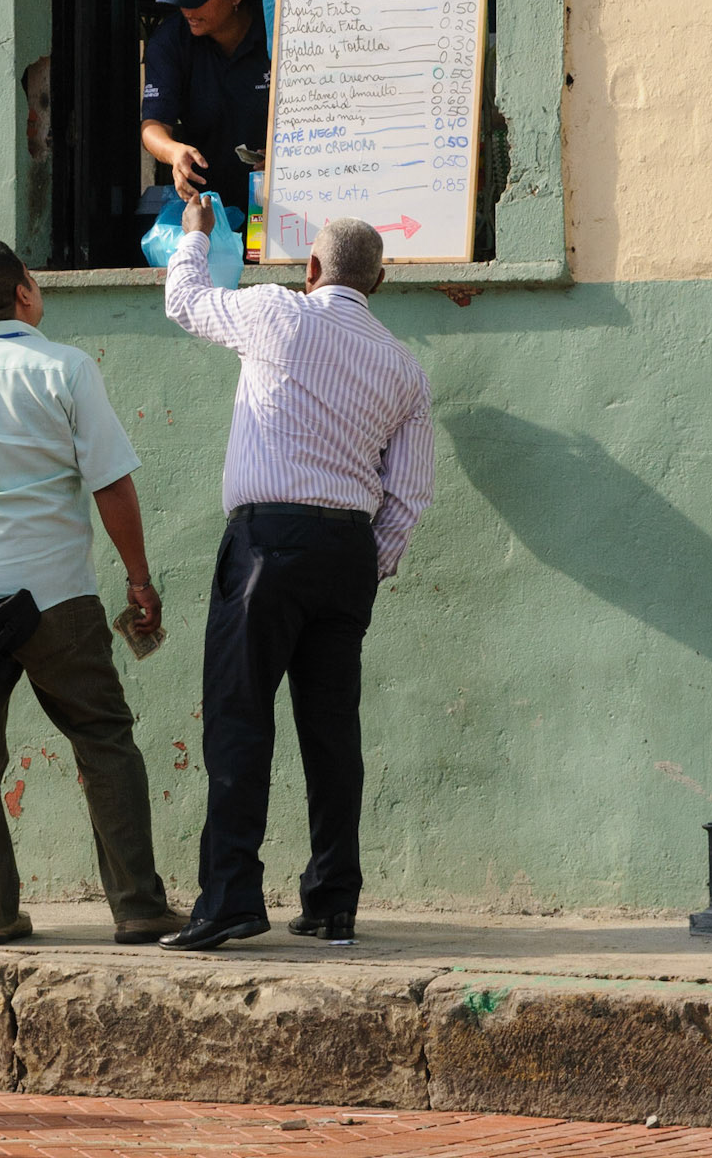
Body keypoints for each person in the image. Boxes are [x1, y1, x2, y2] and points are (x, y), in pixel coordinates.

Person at [0, 239, 186, 947]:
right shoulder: (65, 368)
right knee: (103, 738)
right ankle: (138, 906)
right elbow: (111, 483)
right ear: (23, 291)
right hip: (55, 598)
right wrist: (139, 579)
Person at [159, 201, 435, 953]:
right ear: (376, 280)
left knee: (240, 718)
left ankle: (230, 898)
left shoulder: (277, 313)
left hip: (266, 544)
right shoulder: (403, 367)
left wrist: (193, 233)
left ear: (311, 270)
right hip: (348, 554)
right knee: (332, 729)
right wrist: (365, 565)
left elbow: (183, 300)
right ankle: (332, 903)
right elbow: (408, 496)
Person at [141, 0, 271, 219]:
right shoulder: (170, 41)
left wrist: (288, 158)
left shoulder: (276, 32)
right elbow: (152, 126)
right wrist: (174, 152)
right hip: (208, 208)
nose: (187, 9)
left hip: (286, 204)